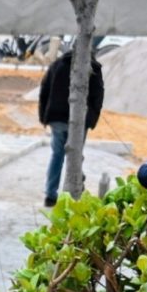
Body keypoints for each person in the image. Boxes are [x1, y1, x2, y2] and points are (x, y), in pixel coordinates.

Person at [37, 41, 107, 206]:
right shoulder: (92, 68)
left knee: (57, 156)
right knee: (75, 156)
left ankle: (50, 195)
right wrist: (91, 119)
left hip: (57, 119)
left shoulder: (57, 65)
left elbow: (44, 91)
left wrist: (44, 116)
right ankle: (74, 192)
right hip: (79, 122)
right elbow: (98, 97)